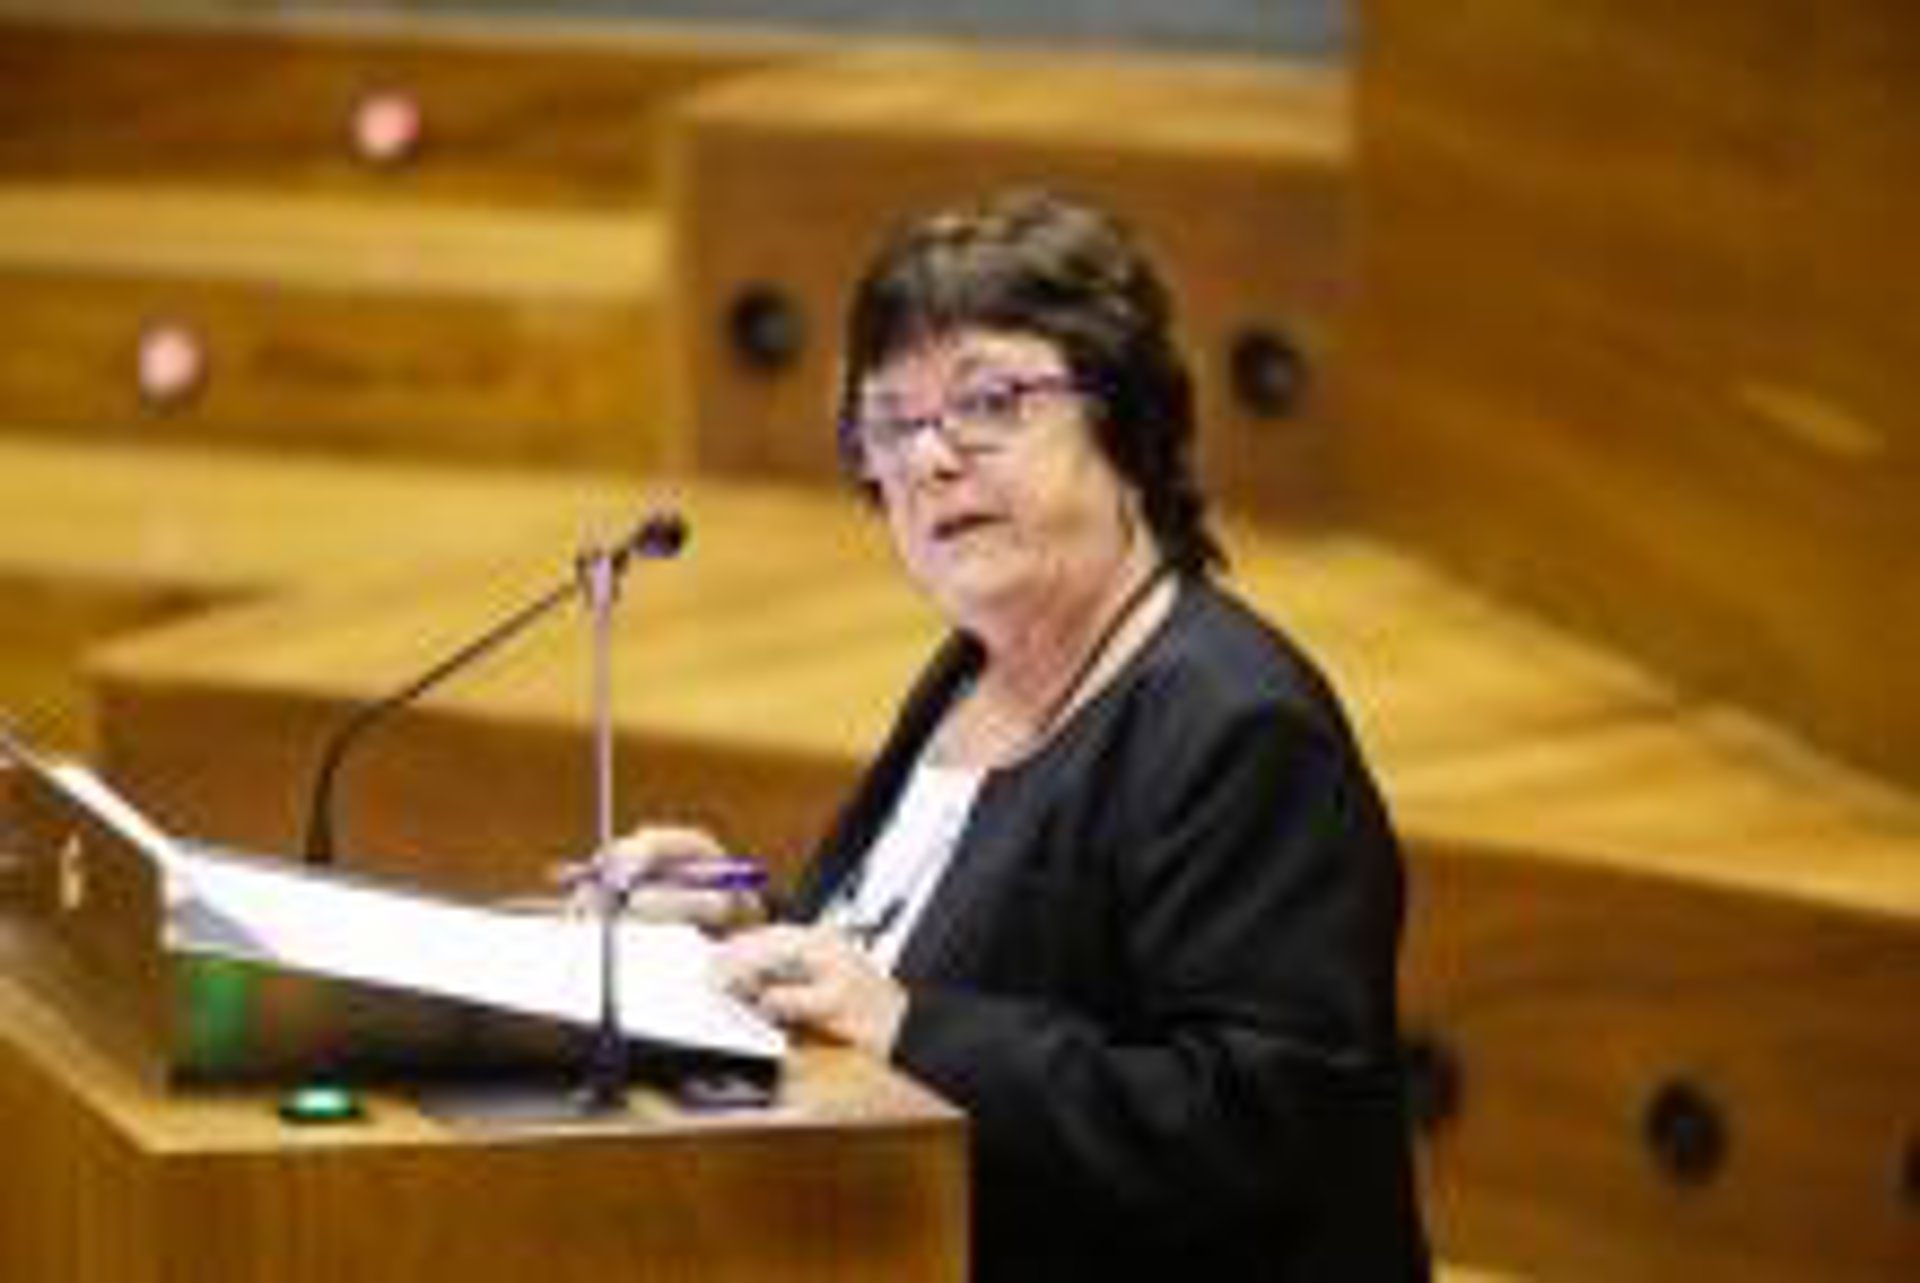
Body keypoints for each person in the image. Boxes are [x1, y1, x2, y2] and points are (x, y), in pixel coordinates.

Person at [591, 189, 1429, 1280]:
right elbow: (962, 968)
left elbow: (1250, 1127)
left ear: (1125, 419)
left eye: (988, 402)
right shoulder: (972, 673)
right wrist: (755, 923)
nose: (930, 458)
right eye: (891, 422)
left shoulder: (1240, 727)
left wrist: (908, 1027)